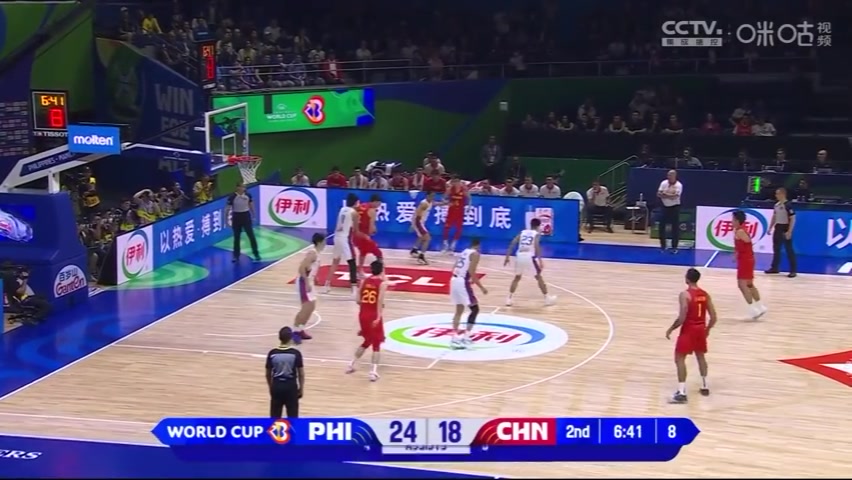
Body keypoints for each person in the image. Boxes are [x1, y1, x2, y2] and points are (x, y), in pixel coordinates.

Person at [665, 268, 718, 404]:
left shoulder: (685, 295)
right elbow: (713, 317)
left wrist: (671, 329)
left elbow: (682, 317)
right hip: (700, 329)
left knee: (679, 358)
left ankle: (681, 393)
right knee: (700, 356)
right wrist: (707, 330)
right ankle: (704, 386)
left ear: (687, 279)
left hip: (689, 329)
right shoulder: (705, 294)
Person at [346, 260, 387, 382]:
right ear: (381, 270)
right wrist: (378, 316)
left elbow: (358, 300)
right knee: (376, 343)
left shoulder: (364, 281)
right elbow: (379, 301)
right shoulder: (382, 284)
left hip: (363, 314)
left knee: (367, 341)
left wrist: (366, 305)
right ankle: (373, 372)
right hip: (373, 315)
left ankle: (351, 364)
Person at [503, 218, 557, 307]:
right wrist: (540, 260)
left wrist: (507, 257)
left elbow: (513, 243)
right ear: (538, 226)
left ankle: (509, 299)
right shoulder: (536, 234)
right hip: (529, 257)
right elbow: (536, 246)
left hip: (519, 256)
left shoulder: (522, 232)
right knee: (539, 277)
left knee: (517, 278)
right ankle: (547, 299)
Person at [449, 237, 488, 349]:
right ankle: (466, 337)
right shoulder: (475, 254)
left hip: (454, 280)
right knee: (475, 309)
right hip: (462, 282)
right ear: (478, 245)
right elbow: (471, 272)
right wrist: (482, 288)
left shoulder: (464, 252)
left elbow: (453, 268)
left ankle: (454, 338)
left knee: (459, 310)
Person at [732, 211, 768, 320]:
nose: (731, 221)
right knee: (749, 284)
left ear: (737, 220)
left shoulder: (740, 231)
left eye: (733, 219)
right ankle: (760, 307)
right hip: (747, 259)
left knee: (741, 285)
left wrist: (738, 253)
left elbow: (747, 242)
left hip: (745, 260)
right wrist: (736, 254)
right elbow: (740, 245)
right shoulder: (739, 230)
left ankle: (753, 310)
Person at [323, 194, 360, 297]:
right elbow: (356, 230)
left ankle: (326, 285)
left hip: (337, 237)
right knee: (352, 262)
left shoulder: (342, 209)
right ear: (355, 202)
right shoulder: (354, 213)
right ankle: (354, 289)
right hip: (345, 239)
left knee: (335, 261)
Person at [293, 233, 325, 344]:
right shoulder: (312, 253)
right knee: (306, 308)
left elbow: (311, 269)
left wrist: (315, 278)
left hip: (309, 280)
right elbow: (301, 268)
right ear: (320, 242)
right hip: (303, 282)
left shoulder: (316, 253)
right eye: (324, 241)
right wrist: (307, 282)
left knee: (311, 307)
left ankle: (301, 329)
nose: (325, 244)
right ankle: (295, 331)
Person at [265, 327, 304, 418]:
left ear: (279, 338)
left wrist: (271, 386)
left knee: (275, 417)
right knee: (293, 417)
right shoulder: (295, 353)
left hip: (277, 386)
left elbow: (267, 373)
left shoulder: (272, 353)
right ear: (291, 338)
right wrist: (301, 388)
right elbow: (301, 374)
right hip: (291, 387)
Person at [765, 187, 797, 278]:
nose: (776, 195)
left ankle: (793, 270)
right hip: (778, 227)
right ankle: (774, 267)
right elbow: (774, 216)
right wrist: (770, 228)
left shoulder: (788, 205)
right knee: (776, 248)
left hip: (785, 227)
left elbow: (793, 218)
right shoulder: (776, 205)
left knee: (789, 249)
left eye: (777, 194)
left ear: (782, 194)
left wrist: (789, 231)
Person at [226, 182, 260, 263]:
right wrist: (226, 219)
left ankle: (256, 254)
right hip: (236, 216)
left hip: (246, 216)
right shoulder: (232, 197)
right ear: (237, 187)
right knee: (237, 237)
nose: (243, 189)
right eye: (242, 187)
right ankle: (236, 256)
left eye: (244, 187)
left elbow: (251, 205)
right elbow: (228, 208)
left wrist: (253, 215)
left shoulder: (248, 195)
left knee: (251, 236)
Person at [354, 194, 384, 273]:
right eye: (378, 203)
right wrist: (371, 233)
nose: (379, 206)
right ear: (375, 202)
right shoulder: (372, 211)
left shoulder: (361, 206)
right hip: (363, 236)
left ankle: (359, 269)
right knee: (378, 253)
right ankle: (379, 272)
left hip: (355, 234)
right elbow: (371, 229)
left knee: (363, 252)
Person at [441, 175, 470, 254]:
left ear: (459, 181)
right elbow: (443, 197)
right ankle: (445, 245)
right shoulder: (450, 189)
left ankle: (453, 246)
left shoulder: (463, 189)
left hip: (460, 211)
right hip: (451, 211)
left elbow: (469, 198)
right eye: (454, 182)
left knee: (459, 228)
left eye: (456, 181)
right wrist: (447, 202)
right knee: (446, 227)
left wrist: (469, 206)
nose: (455, 183)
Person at [656, 170, 683, 253]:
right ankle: (663, 246)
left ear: (674, 176)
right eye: (668, 175)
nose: (668, 177)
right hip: (664, 206)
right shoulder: (664, 183)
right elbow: (658, 194)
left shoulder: (678, 185)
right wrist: (668, 195)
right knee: (661, 226)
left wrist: (665, 194)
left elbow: (675, 197)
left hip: (675, 207)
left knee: (675, 227)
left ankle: (674, 247)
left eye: (670, 175)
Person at [410, 191, 437, 265]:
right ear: (427, 196)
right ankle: (421, 256)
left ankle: (414, 250)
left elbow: (436, 203)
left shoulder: (430, 202)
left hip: (420, 222)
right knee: (427, 238)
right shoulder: (424, 204)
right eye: (431, 196)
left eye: (433, 196)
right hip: (418, 222)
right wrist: (413, 225)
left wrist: (446, 203)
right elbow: (417, 213)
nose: (432, 197)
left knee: (421, 237)